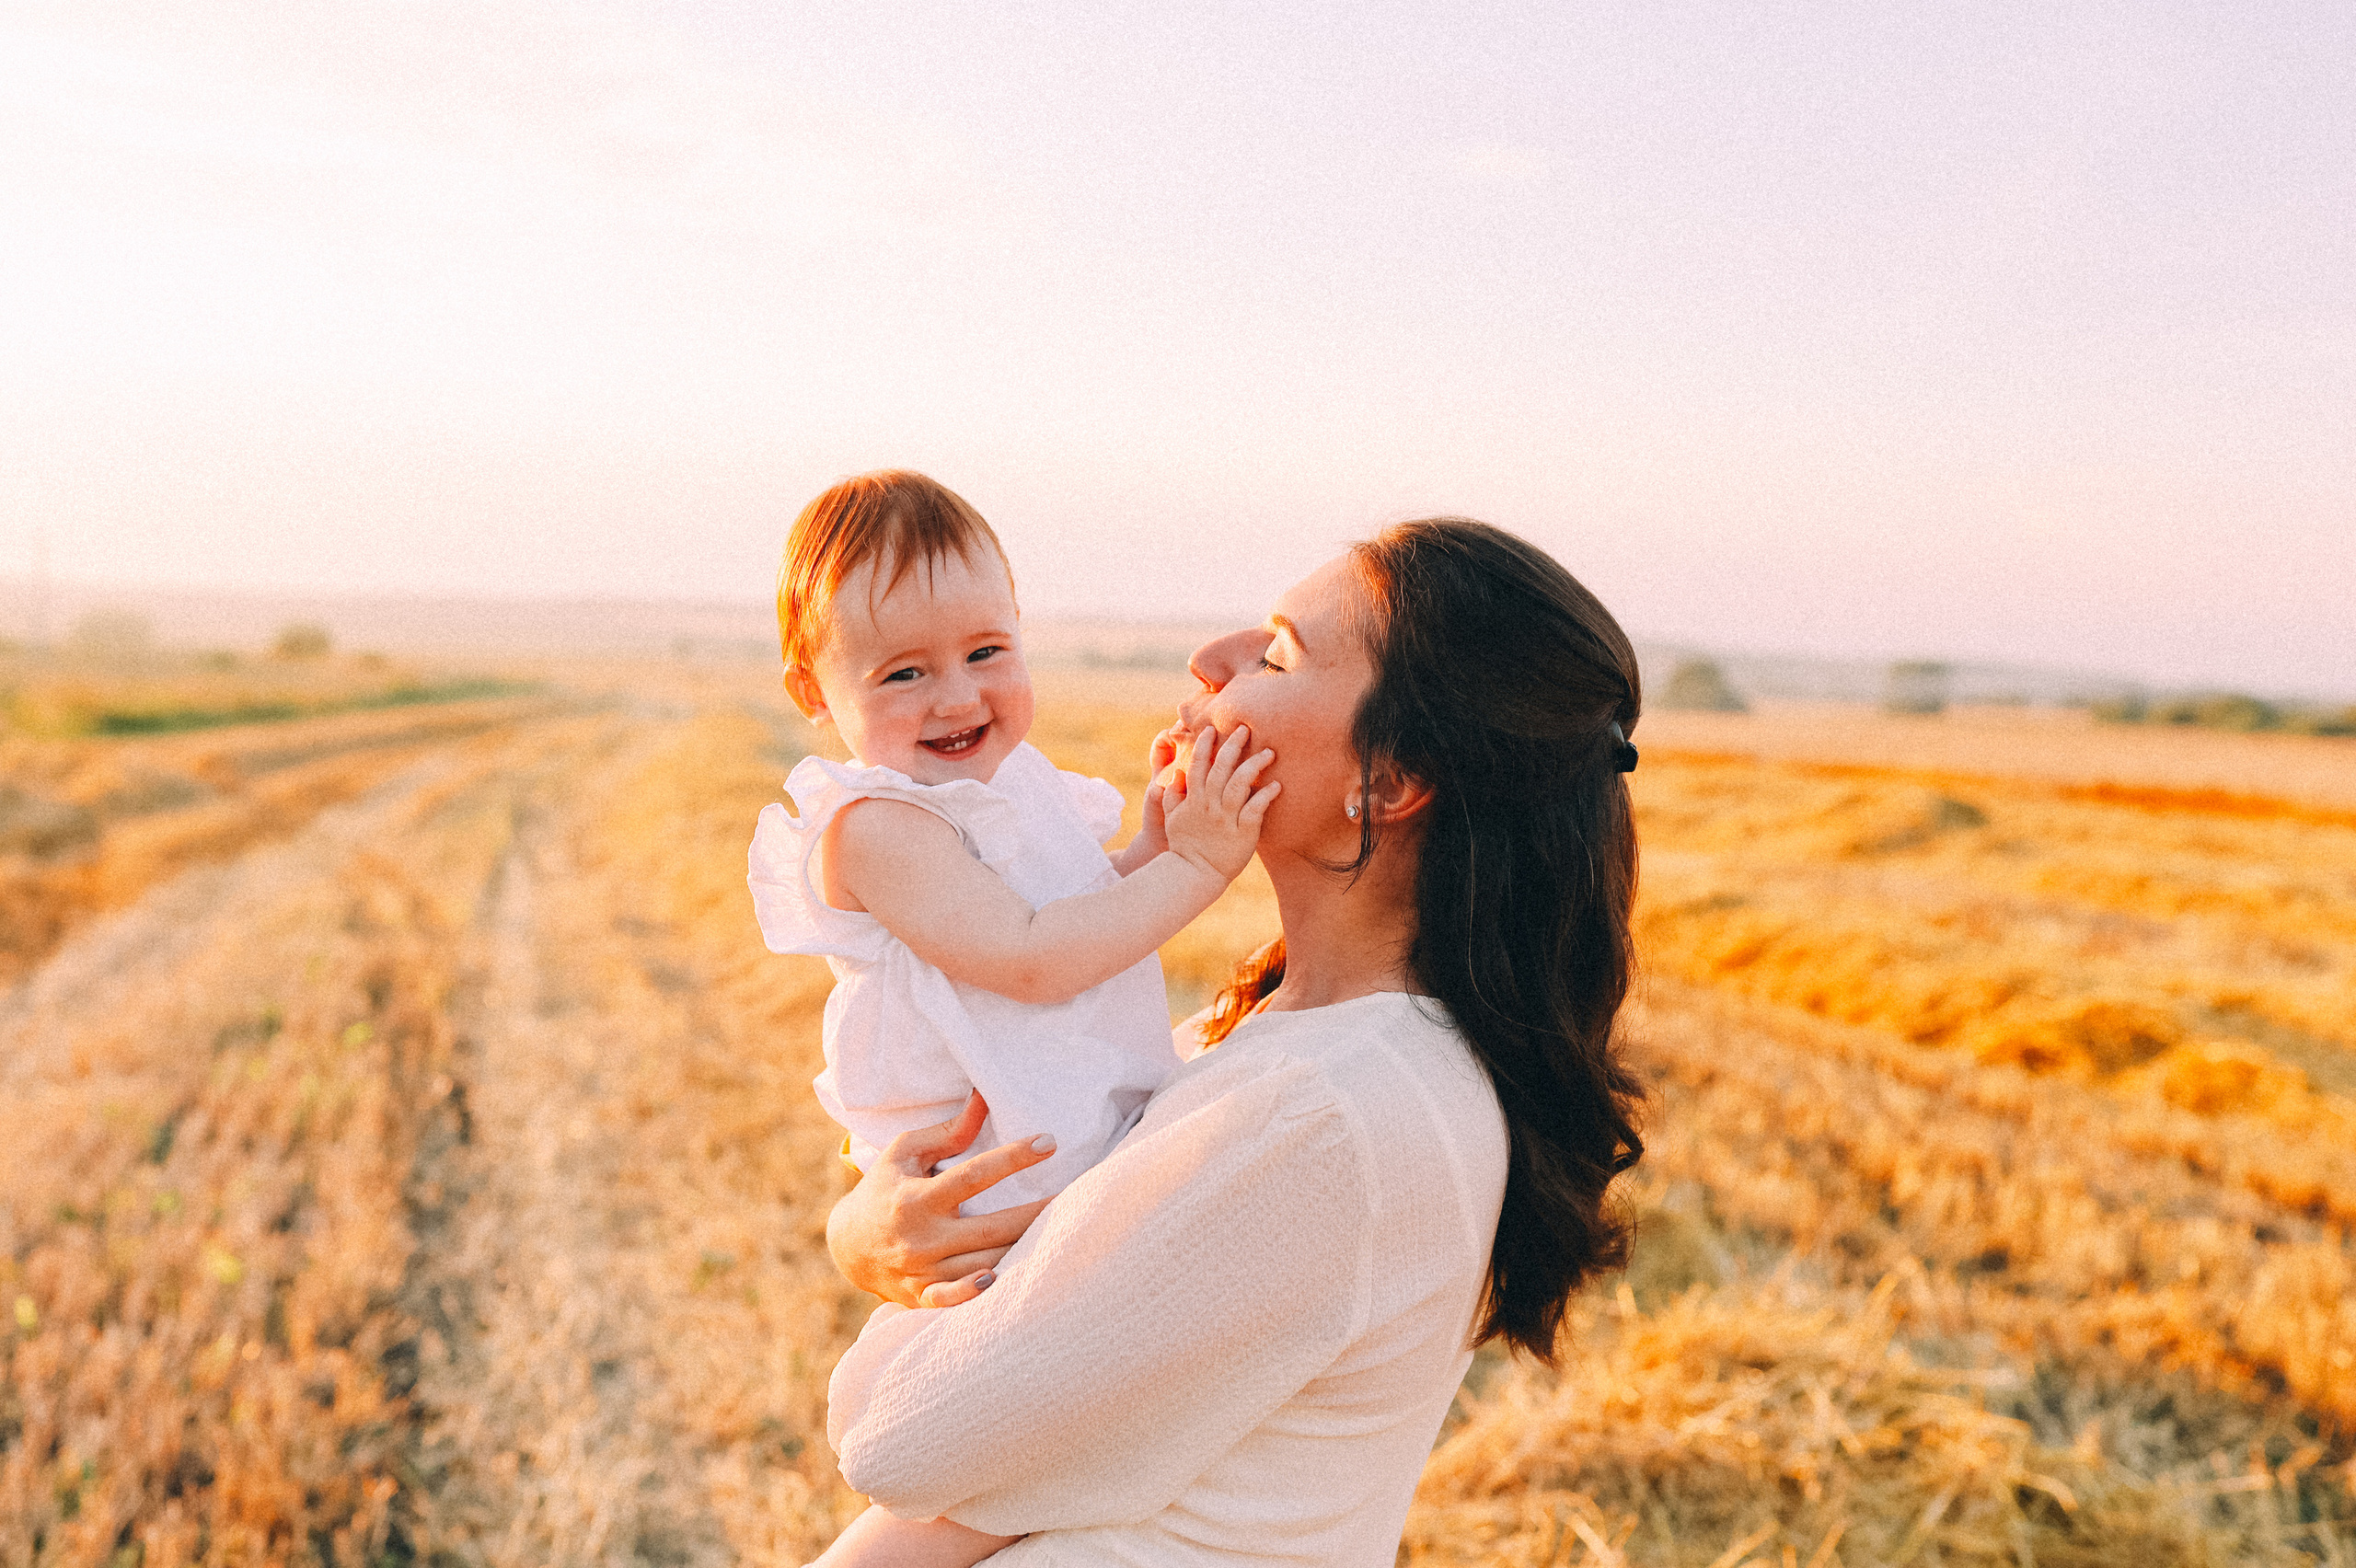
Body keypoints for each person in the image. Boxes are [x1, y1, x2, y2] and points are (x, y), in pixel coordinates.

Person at [818, 517, 1648, 1564]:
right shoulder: (1277, 1037)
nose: (1210, 661)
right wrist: (867, 1236)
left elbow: (896, 1439)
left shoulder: (1322, 1113)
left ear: (1387, 782)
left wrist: (888, 1304)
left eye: (1276, 653)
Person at [750, 471, 1280, 1568]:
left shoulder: (1026, 787)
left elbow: (1086, 910)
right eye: (903, 672)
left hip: (1062, 1144)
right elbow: (1033, 961)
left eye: (986, 652)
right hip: (988, 1177)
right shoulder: (874, 827)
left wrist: (1148, 839)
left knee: (1055, 1461)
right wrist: (1197, 864)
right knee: (974, 1476)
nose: (956, 698)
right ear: (815, 689)